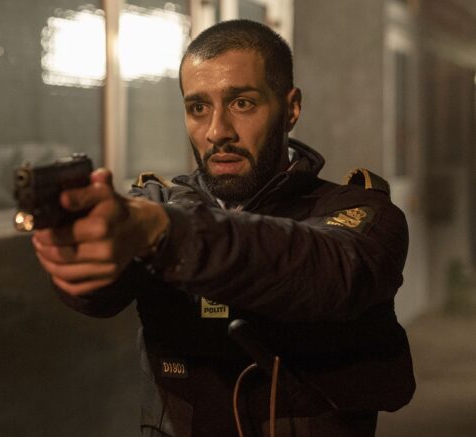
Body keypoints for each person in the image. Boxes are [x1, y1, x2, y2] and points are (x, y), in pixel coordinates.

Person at [32, 20, 414, 437]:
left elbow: (331, 272)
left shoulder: (359, 209)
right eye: (198, 108)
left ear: (291, 109)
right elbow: (100, 294)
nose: (217, 132)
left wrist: (168, 235)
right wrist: (77, 252)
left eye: (242, 103)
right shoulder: (158, 207)